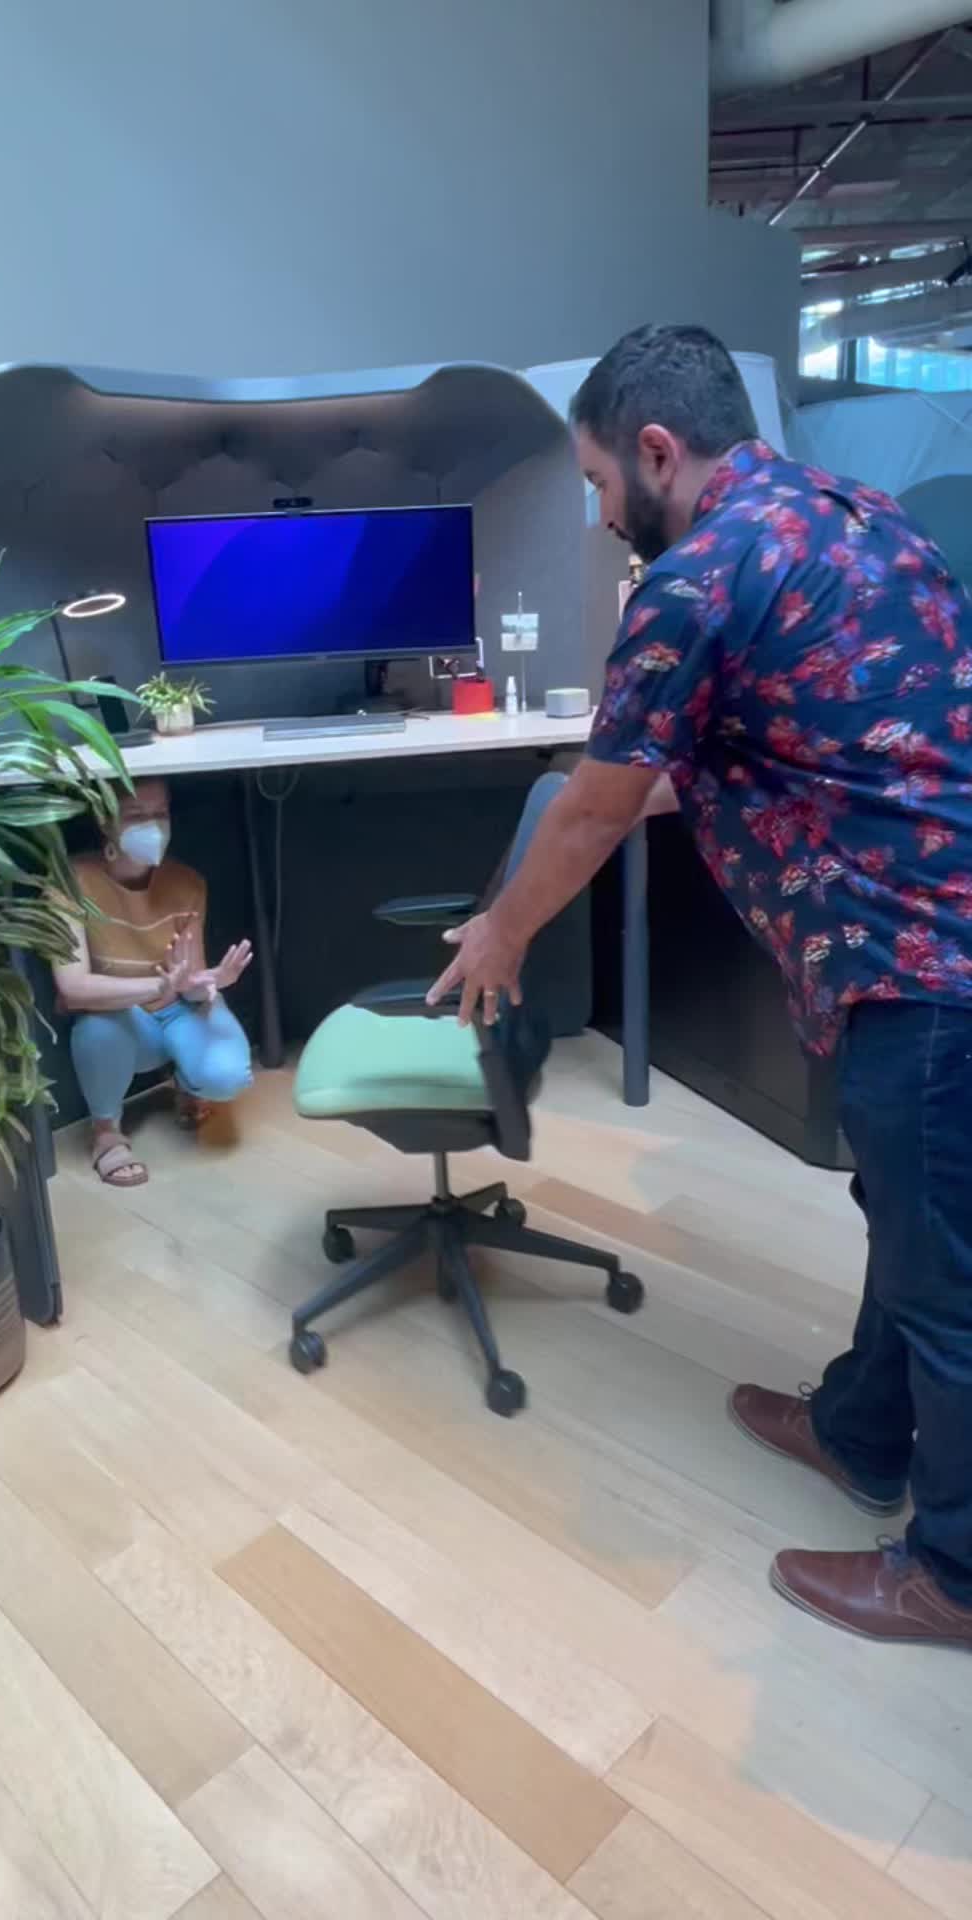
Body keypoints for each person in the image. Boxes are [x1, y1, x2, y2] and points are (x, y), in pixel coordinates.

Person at [430, 322, 972, 1651]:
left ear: (659, 451)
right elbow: (815, 736)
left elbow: (591, 813)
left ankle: (953, 1578)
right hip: (922, 945)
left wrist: (500, 936)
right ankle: (861, 1432)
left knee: (949, 1284)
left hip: (925, 966)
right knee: (909, 1222)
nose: (602, 513)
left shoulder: (696, 577)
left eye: (598, 483)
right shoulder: (861, 518)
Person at [54, 777, 254, 1186]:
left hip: (179, 1012)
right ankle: (106, 1133)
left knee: (227, 1076)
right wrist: (154, 988)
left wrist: (213, 981)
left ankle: (188, 1084)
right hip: (123, 1020)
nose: (153, 825)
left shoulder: (187, 883)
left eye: (160, 813)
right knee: (97, 1031)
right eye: (136, 815)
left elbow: (190, 984)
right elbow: (72, 989)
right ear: (106, 822)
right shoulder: (70, 882)